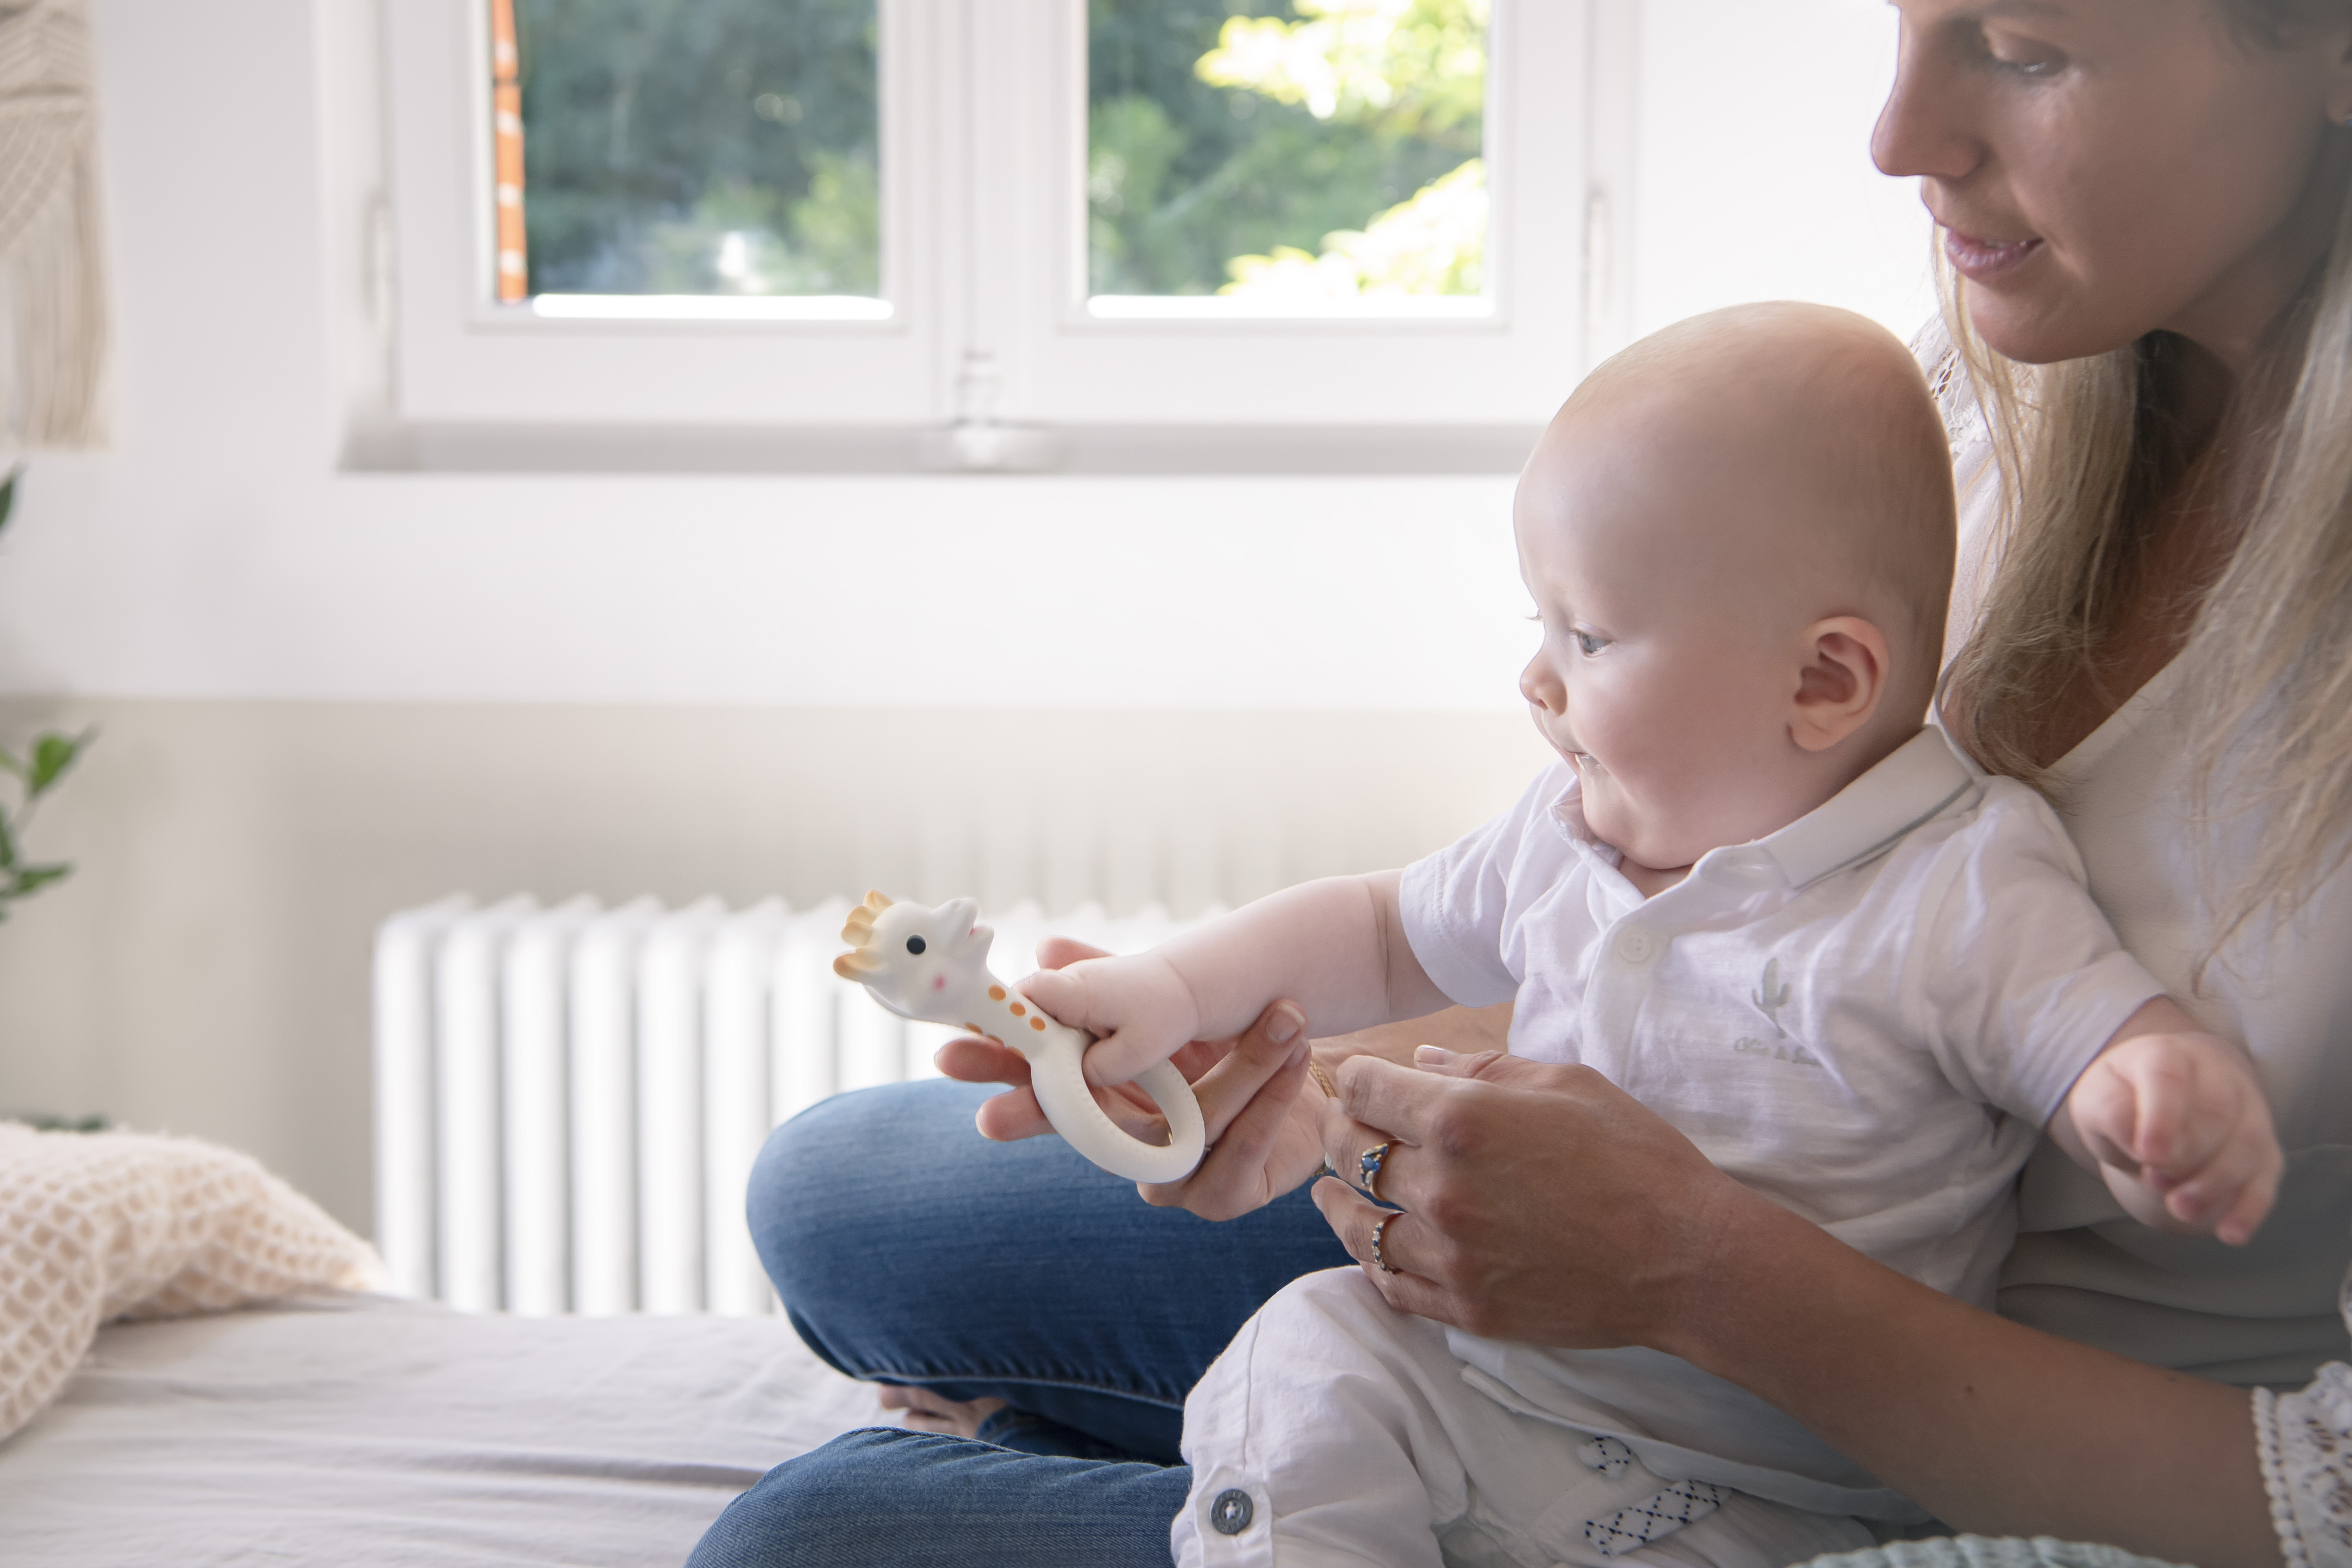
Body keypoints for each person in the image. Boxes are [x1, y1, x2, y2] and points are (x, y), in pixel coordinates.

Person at [687, 4, 2352, 1564]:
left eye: (2024, 49)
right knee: (837, 1194)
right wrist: (1299, 1073)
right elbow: (1654, 930)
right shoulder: (1973, 404)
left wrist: (1695, 1268)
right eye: (1902, 23)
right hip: (1660, 1247)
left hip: (1854, 1420)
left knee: (809, 1531)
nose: (1897, 134)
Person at [1013, 302, 2278, 1568]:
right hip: (1493, 1384)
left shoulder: (1952, 880)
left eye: (1589, 635)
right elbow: (1383, 927)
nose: (1535, 682)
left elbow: (2085, 1028)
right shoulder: (1569, 832)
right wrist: (1175, 988)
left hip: (1767, 1484)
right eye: (1538, 627)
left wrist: (2150, 1089)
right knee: (1306, 1349)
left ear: (1823, 682)